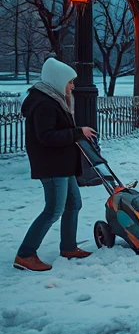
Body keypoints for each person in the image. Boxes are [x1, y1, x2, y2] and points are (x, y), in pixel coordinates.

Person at [15, 58, 97, 271]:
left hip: (63, 164)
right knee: (53, 210)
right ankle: (25, 254)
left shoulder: (54, 99)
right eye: (70, 82)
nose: (73, 86)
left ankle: (69, 246)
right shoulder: (44, 103)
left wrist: (77, 133)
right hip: (52, 166)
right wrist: (78, 132)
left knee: (74, 204)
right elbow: (47, 137)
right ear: (58, 80)